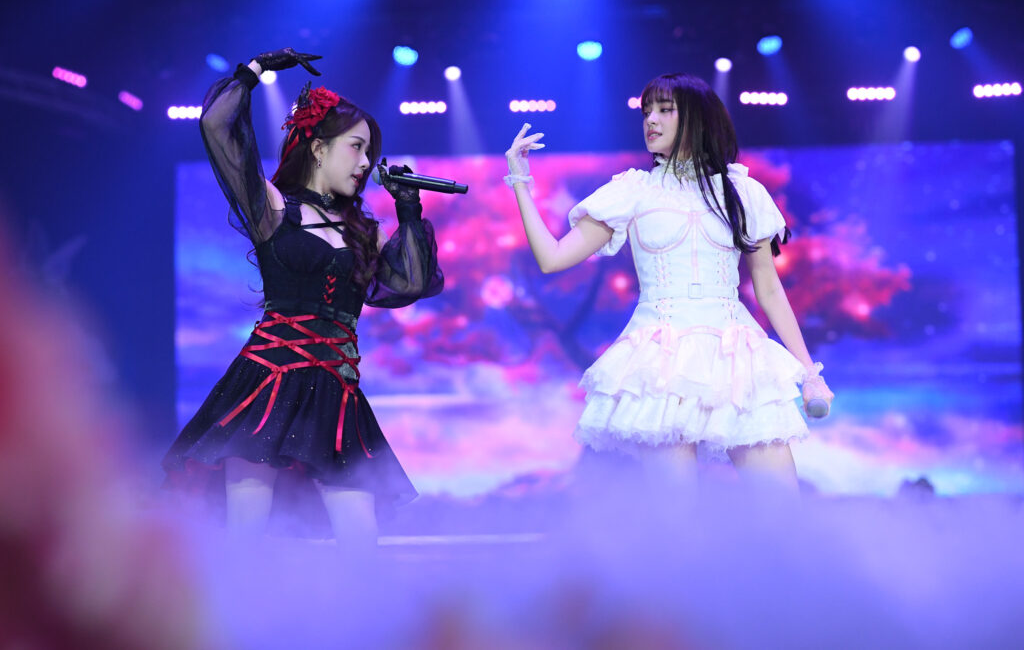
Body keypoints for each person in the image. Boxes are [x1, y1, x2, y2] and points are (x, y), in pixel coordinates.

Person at [163, 49, 443, 549]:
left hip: (337, 392)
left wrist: (408, 211)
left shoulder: (365, 230)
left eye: (369, 152)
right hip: (266, 384)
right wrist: (253, 72)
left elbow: (408, 284)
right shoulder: (274, 208)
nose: (365, 163)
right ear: (318, 148)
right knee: (249, 538)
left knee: (362, 544)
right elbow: (216, 126)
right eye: (356, 147)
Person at [504, 73, 833, 498]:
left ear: (695, 116)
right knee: (677, 515)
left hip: (737, 357)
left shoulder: (743, 192)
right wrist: (520, 181)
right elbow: (552, 258)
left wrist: (809, 373)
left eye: (664, 110)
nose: (651, 121)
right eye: (646, 112)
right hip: (660, 363)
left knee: (781, 504)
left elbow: (769, 291)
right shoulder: (632, 191)